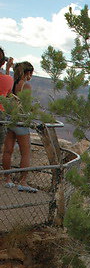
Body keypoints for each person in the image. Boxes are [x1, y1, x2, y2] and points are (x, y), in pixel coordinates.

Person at [2, 60, 38, 193]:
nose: (31, 77)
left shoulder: (12, 83)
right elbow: (26, 106)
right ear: (27, 73)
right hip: (20, 121)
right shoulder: (26, 86)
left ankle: (7, 179)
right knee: (26, 152)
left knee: (8, 150)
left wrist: (7, 69)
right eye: (31, 74)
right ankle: (23, 182)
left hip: (10, 119)